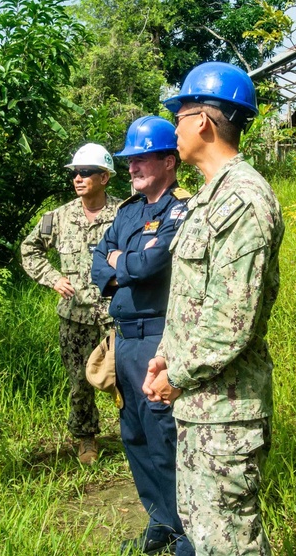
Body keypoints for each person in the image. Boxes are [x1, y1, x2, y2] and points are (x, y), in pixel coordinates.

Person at [144, 62, 284, 556]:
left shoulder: (242, 200)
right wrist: (165, 356)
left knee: (229, 545)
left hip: (226, 413)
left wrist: (176, 374)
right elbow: (193, 297)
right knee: (207, 537)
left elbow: (231, 322)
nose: (173, 129)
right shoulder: (211, 197)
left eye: (178, 116)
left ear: (202, 121)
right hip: (203, 408)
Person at [91, 116, 193, 556]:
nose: (131, 168)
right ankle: (160, 521)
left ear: (169, 161)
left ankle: (188, 529)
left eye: (141, 159)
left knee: (164, 434)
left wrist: (122, 263)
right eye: (128, 161)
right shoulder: (126, 212)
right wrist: (122, 263)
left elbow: (152, 267)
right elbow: (99, 263)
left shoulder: (181, 209)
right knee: (133, 433)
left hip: (158, 338)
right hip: (123, 339)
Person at [19, 143, 122, 464]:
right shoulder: (58, 218)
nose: (78, 178)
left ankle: (136, 436)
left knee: (127, 379)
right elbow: (29, 249)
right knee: (79, 383)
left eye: (86, 173)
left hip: (116, 315)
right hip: (75, 316)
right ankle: (86, 439)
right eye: (75, 173)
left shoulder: (124, 213)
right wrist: (52, 278)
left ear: (104, 177)